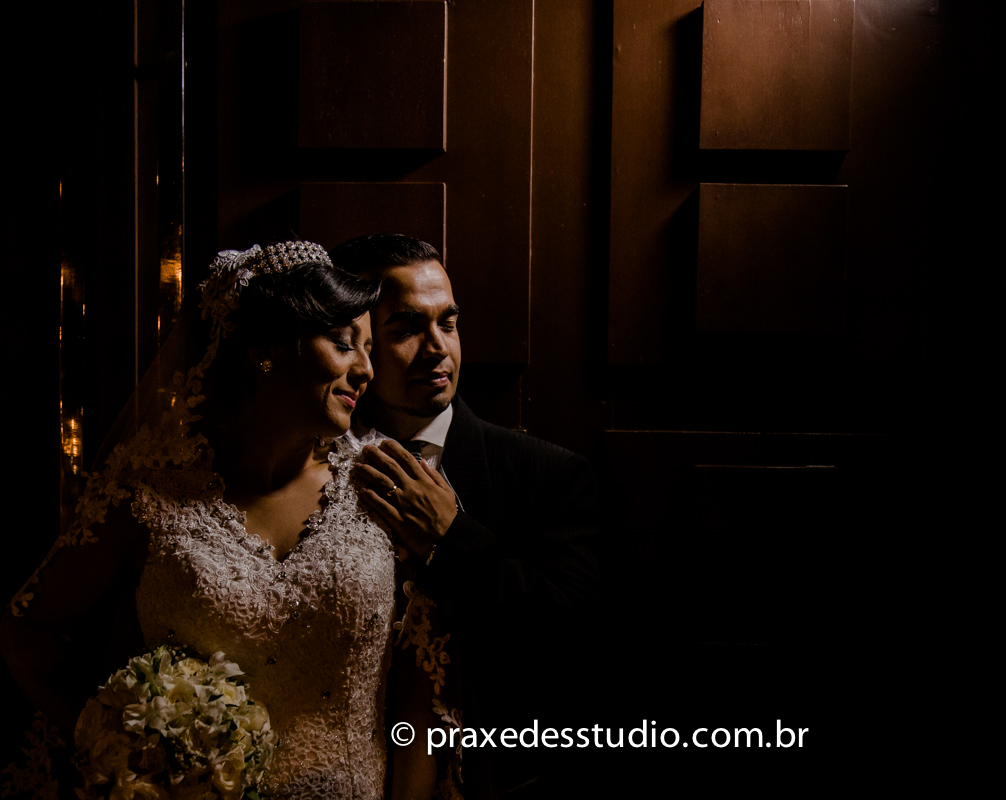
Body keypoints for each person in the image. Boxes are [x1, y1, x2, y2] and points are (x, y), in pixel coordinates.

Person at [1, 242, 458, 800]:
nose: (365, 369)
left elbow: (419, 687)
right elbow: (28, 630)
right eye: (344, 344)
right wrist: (119, 746)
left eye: (368, 348)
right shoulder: (150, 497)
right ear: (264, 349)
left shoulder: (385, 483)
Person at [328, 235, 601, 798]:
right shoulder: (309, 465)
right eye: (406, 329)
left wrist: (449, 537)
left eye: (448, 324)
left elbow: (573, 636)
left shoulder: (547, 474)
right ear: (357, 340)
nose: (438, 349)